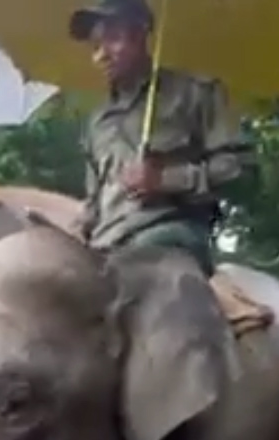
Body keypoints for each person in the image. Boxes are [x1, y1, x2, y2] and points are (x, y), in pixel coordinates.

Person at [70, 0, 249, 277]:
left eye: (113, 39)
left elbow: (240, 169)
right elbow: (94, 201)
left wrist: (165, 180)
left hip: (170, 236)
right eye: (95, 46)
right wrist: (77, 227)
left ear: (141, 34)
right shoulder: (97, 122)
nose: (101, 55)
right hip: (105, 248)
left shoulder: (194, 94)